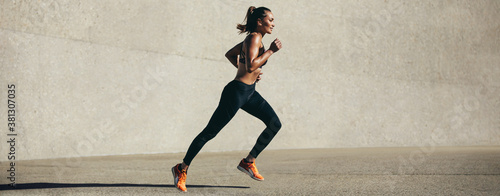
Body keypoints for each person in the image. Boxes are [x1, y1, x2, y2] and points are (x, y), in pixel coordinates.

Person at [171, 6, 282, 192]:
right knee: (210, 132)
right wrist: (270, 52)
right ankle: (181, 168)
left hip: (250, 92)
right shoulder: (254, 38)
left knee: (274, 123)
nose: (273, 23)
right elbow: (250, 66)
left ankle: (249, 162)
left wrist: (252, 70)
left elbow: (231, 55)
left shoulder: (256, 40)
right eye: (270, 20)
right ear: (259, 21)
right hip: (236, 93)